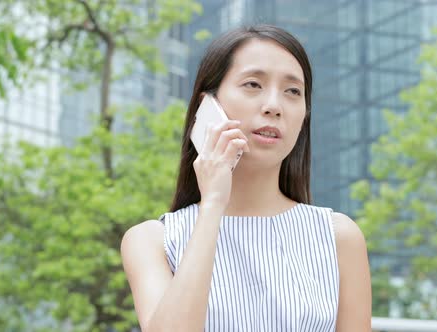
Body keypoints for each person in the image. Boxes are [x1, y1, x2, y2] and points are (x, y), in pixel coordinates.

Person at [121, 24, 372, 332]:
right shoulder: (154, 241)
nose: (274, 106)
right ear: (207, 106)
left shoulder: (338, 238)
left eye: (293, 91)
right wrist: (213, 203)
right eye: (253, 84)